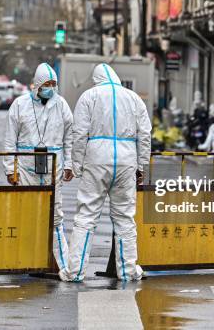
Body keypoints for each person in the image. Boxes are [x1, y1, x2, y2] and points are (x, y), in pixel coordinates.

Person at [59, 63, 151, 282]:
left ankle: (74, 271)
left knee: (86, 216)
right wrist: (141, 166)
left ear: (96, 78)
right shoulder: (134, 98)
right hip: (127, 160)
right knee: (125, 219)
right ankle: (128, 271)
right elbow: (145, 134)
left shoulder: (89, 96)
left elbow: (79, 133)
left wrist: (77, 164)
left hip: (97, 160)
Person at [3, 63, 74, 270]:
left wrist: (69, 163)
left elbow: (69, 137)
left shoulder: (61, 105)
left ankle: (61, 264)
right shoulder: (20, 105)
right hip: (25, 166)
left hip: (54, 166)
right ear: (37, 84)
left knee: (56, 215)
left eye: (53, 84)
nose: (50, 88)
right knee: (27, 211)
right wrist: (10, 168)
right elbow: (10, 139)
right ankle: (24, 260)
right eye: (46, 84)